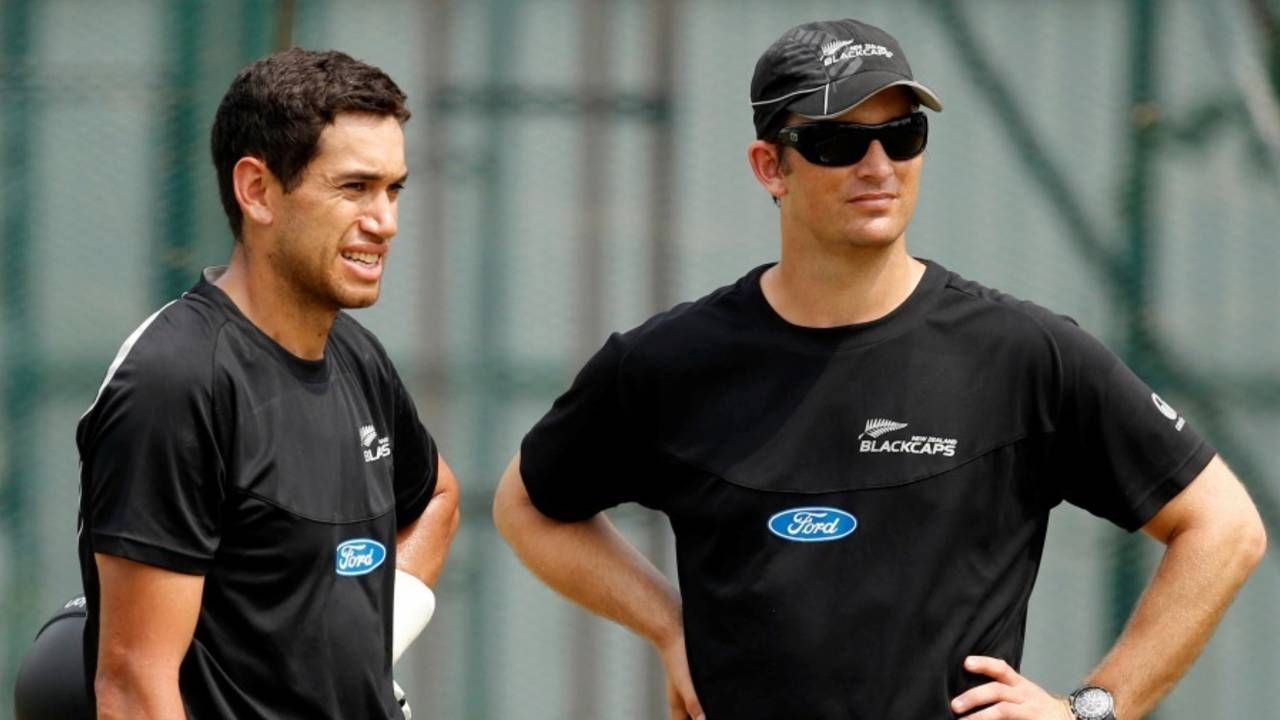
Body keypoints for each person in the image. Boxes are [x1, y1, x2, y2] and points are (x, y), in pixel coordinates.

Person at [493, 18, 1266, 720]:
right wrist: (667, 623)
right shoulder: (669, 363)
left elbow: (1223, 527)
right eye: (836, 141)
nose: (879, 165)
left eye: (902, 135)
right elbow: (526, 506)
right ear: (771, 166)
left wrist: (1092, 709)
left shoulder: (1023, 353)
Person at [75, 49, 459, 719]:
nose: (385, 221)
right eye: (354, 188)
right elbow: (135, 688)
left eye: (393, 189)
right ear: (256, 191)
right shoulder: (177, 381)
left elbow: (436, 498)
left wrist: (372, 639)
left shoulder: (357, 358)